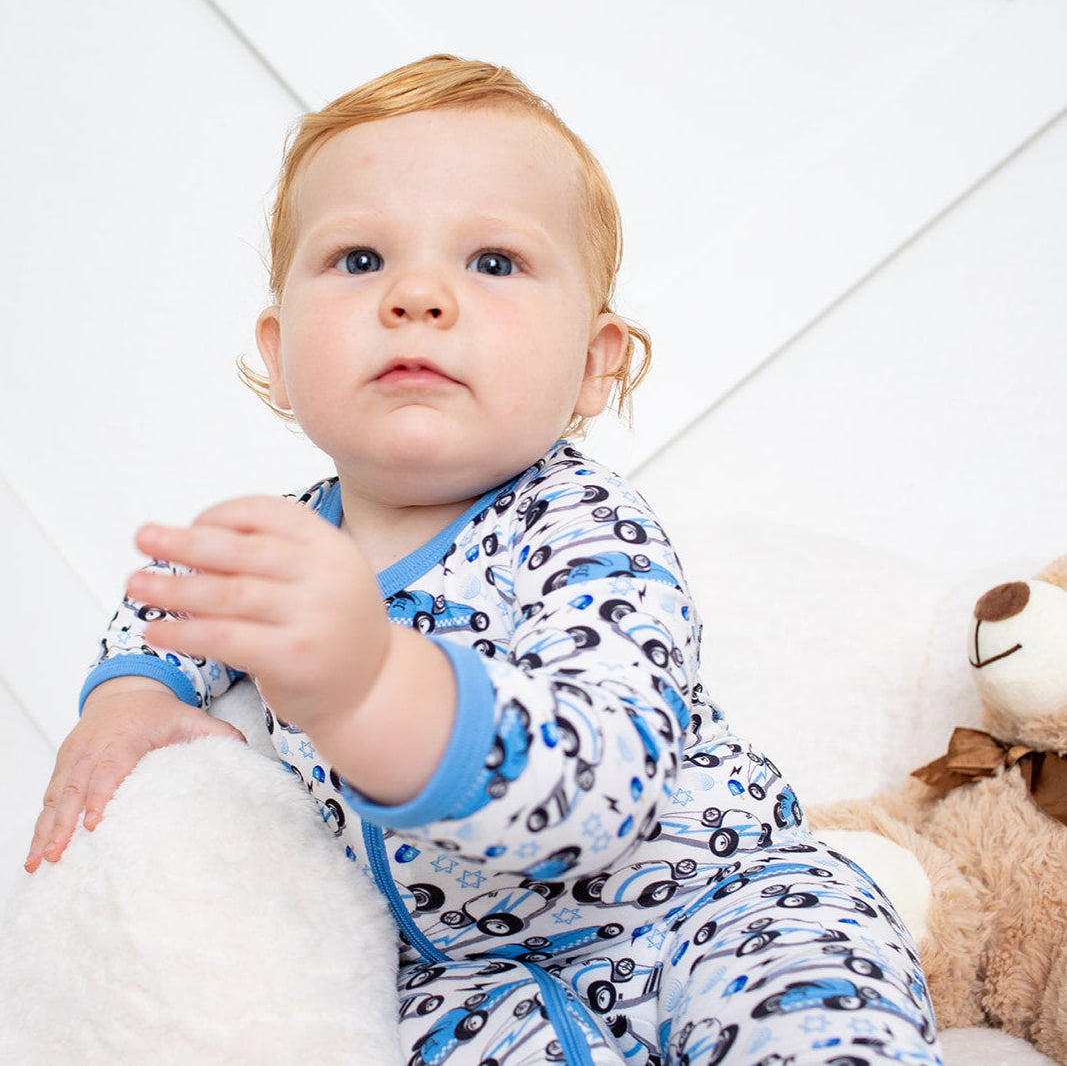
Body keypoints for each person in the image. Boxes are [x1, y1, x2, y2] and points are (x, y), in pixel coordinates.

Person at [26, 55, 941, 1066]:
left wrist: (370, 683)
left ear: (595, 364)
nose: (417, 294)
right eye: (361, 258)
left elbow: (602, 785)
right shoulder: (280, 546)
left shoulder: (583, 526)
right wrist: (131, 693)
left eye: (493, 262)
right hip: (465, 980)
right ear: (281, 352)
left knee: (814, 1016)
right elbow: (160, 612)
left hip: (713, 911)